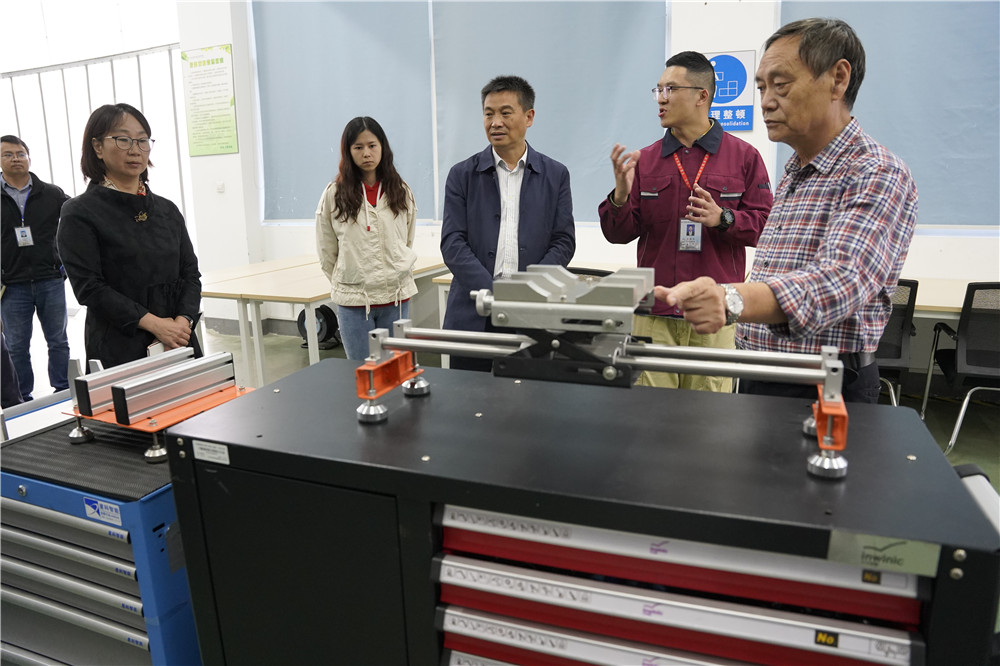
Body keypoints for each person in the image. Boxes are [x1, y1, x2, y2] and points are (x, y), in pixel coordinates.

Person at [657, 18, 918, 404]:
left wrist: (731, 298)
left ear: (838, 79)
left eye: (781, 85)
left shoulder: (875, 171)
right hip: (763, 369)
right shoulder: (797, 171)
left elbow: (840, 281)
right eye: (762, 87)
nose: (766, 101)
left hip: (822, 381)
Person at [599, 52, 772, 393]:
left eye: (670, 89)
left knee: (708, 418)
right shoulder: (645, 160)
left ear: (701, 96)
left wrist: (723, 219)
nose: (661, 99)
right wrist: (620, 195)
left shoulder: (744, 157)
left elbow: (766, 226)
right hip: (654, 314)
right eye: (658, 90)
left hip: (713, 315)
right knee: (651, 414)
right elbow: (617, 234)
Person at [441, 75, 575, 371]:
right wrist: (493, 293)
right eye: (488, 114)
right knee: (467, 396)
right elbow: (452, 243)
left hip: (533, 312)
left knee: (529, 397)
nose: (495, 122)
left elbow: (563, 242)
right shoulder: (462, 175)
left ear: (529, 117)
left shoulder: (555, 175)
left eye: (505, 113)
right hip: (473, 312)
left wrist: (526, 290)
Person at [57, 103, 201, 369]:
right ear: (97, 147)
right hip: (120, 344)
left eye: (142, 141)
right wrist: (156, 325)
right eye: (123, 140)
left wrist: (183, 321)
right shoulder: (79, 212)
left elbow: (190, 274)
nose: (135, 150)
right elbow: (90, 288)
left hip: (177, 339)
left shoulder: (166, 210)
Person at [315, 117, 418, 361]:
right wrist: (349, 279)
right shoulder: (334, 194)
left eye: (372, 145)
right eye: (358, 147)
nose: (366, 153)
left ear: (383, 147)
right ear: (348, 152)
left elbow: (406, 240)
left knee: (396, 370)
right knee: (362, 372)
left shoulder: (400, 191)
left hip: (396, 298)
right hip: (354, 303)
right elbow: (327, 251)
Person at [1, 135, 71, 399]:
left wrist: (64, 265)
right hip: (11, 284)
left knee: (58, 341)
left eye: (20, 154)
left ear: (29, 158)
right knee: (16, 346)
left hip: (49, 279)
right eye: (8, 154)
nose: (15, 159)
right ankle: (21, 399)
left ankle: (63, 391)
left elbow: (76, 223)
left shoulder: (51, 193)